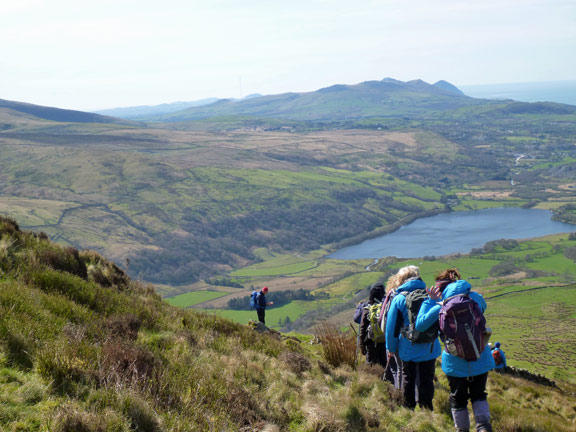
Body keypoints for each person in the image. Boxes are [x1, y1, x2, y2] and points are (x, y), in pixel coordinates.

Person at [417, 269, 494, 432]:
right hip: (480, 356)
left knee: (458, 398)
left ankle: (462, 429)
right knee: (479, 394)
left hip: (454, 362)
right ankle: (483, 426)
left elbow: (420, 325)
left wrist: (431, 301)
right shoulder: (474, 298)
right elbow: (483, 307)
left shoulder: (440, 306)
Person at [385, 265, 441, 410]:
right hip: (430, 347)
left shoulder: (399, 299)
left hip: (408, 349)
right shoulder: (430, 296)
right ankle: (427, 409)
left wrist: (391, 348)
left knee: (408, 379)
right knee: (427, 380)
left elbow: (391, 328)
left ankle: (408, 409)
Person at [359, 282, 387, 368]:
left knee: (371, 366)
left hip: (371, 342)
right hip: (384, 343)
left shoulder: (368, 309)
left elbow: (363, 328)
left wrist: (362, 345)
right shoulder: (386, 307)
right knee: (385, 365)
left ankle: (372, 380)